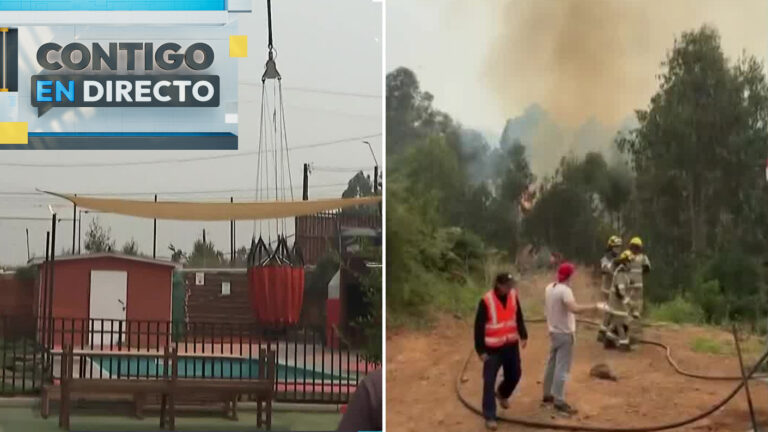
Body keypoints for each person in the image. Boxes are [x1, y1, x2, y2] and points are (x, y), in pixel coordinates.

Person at [542, 262, 598, 416]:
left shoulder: (550, 287)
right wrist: (595, 307)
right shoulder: (565, 291)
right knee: (562, 368)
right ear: (569, 276)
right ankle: (559, 400)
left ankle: (547, 395)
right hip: (565, 334)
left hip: (553, 332)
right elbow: (574, 309)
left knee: (551, 364)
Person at [474, 273, 528, 431]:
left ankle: (503, 393)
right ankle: (490, 416)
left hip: (511, 345)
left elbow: (518, 316)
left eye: (511, 284)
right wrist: (480, 350)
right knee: (489, 381)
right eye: (507, 285)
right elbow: (478, 327)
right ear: (499, 285)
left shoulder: (513, 295)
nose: (510, 287)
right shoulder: (486, 301)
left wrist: (523, 334)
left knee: (515, 374)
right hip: (493, 349)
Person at [603, 250, 633, 351]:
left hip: (616, 301)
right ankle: (624, 343)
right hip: (617, 302)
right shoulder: (621, 273)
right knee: (621, 322)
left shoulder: (623, 272)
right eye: (630, 261)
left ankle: (609, 339)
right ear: (625, 261)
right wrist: (627, 302)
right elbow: (620, 291)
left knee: (618, 322)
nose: (631, 264)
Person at [597, 236, 622, 342]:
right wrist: (613, 270)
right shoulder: (606, 258)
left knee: (612, 310)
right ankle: (606, 333)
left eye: (619, 247)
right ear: (611, 247)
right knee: (612, 310)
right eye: (616, 247)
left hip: (615, 288)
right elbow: (604, 268)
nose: (618, 249)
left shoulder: (619, 258)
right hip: (607, 288)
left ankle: (603, 331)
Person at [627, 237, 651, 343]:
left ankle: (627, 333)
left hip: (628, 287)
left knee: (628, 309)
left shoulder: (627, 257)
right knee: (636, 311)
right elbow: (647, 269)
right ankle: (633, 335)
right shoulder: (643, 258)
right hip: (638, 286)